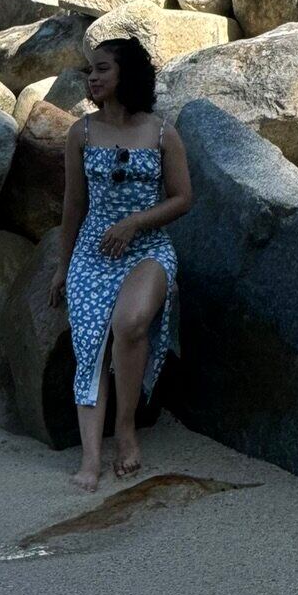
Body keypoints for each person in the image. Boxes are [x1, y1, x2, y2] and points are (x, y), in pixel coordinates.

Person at [49, 37, 192, 491]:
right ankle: (90, 460)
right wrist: (62, 265)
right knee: (90, 345)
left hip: (147, 248)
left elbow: (183, 199)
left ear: (125, 74)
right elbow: (73, 206)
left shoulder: (162, 132)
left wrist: (134, 223)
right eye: (90, 70)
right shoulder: (82, 133)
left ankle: (125, 429)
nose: (92, 77)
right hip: (93, 252)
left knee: (130, 324)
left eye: (103, 69)